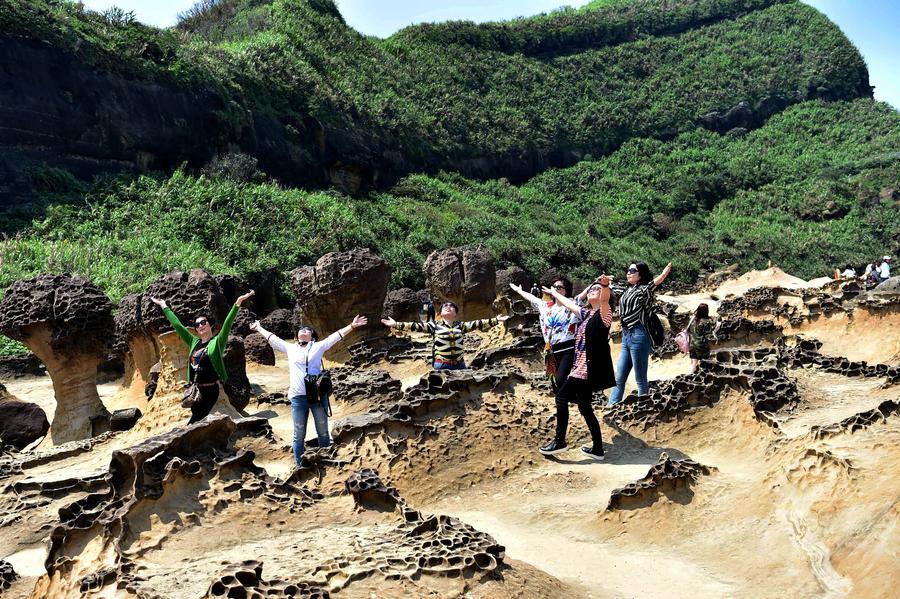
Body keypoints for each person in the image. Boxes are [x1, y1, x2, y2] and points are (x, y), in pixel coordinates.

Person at [250, 315, 367, 465]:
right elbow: (272, 338)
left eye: (307, 329)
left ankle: (327, 462)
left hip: (317, 395)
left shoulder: (318, 346)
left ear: (312, 336)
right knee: (298, 435)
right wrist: (258, 327)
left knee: (323, 432)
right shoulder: (290, 348)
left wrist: (352, 326)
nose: (303, 330)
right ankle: (299, 465)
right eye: (301, 329)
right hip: (298, 398)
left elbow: (335, 336)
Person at [150, 290, 255, 424]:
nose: (200, 325)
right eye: (197, 324)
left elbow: (227, 324)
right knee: (197, 420)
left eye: (203, 322)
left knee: (194, 422)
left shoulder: (217, 342)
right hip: (195, 390)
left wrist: (238, 303)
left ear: (209, 324)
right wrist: (164, 305)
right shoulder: (194, 342)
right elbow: (177, 325)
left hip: (210, 390)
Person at [538, 277, 615, 459]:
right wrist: (555, 293)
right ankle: (598, 449)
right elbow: (567, 303)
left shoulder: (605, 314)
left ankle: (560, 441)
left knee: (561, 398)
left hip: (585, 371)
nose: (592, 292)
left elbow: (604, 299)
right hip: (579, 368)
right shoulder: (586, 314)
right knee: (585, 407)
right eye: (591, 290)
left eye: (596, 290)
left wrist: (604, 285)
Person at [607, 261, 672, 406]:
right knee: (619, 376)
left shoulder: (644, 290)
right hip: (626, 336)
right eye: (628, 270)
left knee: (640, 378)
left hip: (639, 335)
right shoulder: (626, 290)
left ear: (640, 274)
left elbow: (654, 283)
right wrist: (607, 282)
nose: (628, 273)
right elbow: (611, 289)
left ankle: (644, 407)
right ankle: (611, 405)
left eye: (632, 270)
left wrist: (664, 273)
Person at [381, 302, 510, 370]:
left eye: (451, 306)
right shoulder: (434, 326)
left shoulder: (461, 325)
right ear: (441, 313)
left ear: (456, 313)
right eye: (445, 306)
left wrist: (496, 320)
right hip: (441, 365)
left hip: (460, 365)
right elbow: (415, 326)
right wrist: (396, 324)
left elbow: (478, 324)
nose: (448, 307)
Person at [509, 277, 582, 390]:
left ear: (566, 290)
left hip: (568, 348)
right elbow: (532, 298)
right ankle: (562, 403)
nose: (556, 289)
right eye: (554, 287)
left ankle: (573, 397)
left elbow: (582, 296)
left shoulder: (571, 304)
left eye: (559, 287)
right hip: (550, 350)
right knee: (553, 382)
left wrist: (599, 284)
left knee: (560, 379)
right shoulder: (546, 306)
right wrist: (519, 291)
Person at [687, 303, 720, 374]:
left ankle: (689, 374)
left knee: (693, 362)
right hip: (701, 346)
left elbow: (689, 330)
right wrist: (716, 331)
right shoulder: (705, 322)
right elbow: (709, 336)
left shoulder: (693, 319)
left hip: (692, 344)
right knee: (703, 362)